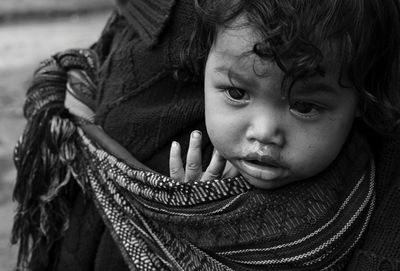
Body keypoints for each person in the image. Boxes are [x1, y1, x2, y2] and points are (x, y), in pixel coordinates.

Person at [11, 0, 400, 270]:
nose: (263, 133)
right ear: (201, 69)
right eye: (236, 93)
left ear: (363, 104)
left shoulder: (361, 197)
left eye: (304, 106)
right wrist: (195, 216)